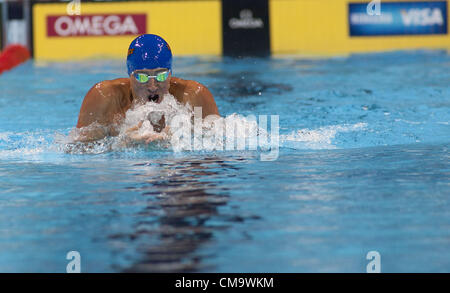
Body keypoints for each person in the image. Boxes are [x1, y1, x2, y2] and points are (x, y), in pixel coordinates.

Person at [74, 34, 219, 143]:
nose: (152, 86)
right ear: (130, 75)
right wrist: (121, 144)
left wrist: (182, 136)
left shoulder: (193, 96)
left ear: (170, 74)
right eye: (142, 77)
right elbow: (75, 151)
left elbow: (220, 141)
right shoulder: (105, 97)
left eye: (161, 76)